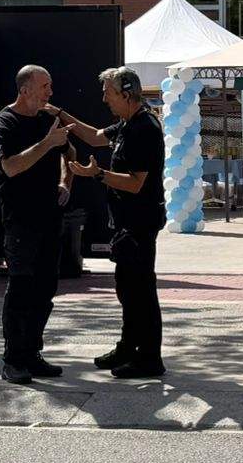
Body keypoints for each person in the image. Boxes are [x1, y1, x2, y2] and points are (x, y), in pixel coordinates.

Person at [66, 67, 167, 379]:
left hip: (140, 222)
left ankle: (150, 358)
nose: (104, 98)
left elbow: (135, 183)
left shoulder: (144, 128)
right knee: (127, 288)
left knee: (141, 290)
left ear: (126, 93)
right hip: (126, 223)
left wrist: (96, 174)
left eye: (108, 92)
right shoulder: (127, 123)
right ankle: (128, 347)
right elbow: (95, 136)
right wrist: (59, 115)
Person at [0, 65, 72, 383]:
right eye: (44, 86)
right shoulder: (6, 120)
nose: (50, 92)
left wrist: (66, 182)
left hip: (50, 216)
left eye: (50, 86)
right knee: (21, 288)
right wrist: (47, 144)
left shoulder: (47, 119)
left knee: (46, 288)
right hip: (21, 219)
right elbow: (10, 166)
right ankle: (13, 358)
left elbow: (70, 151)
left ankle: (32, 352)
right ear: (25, 90)